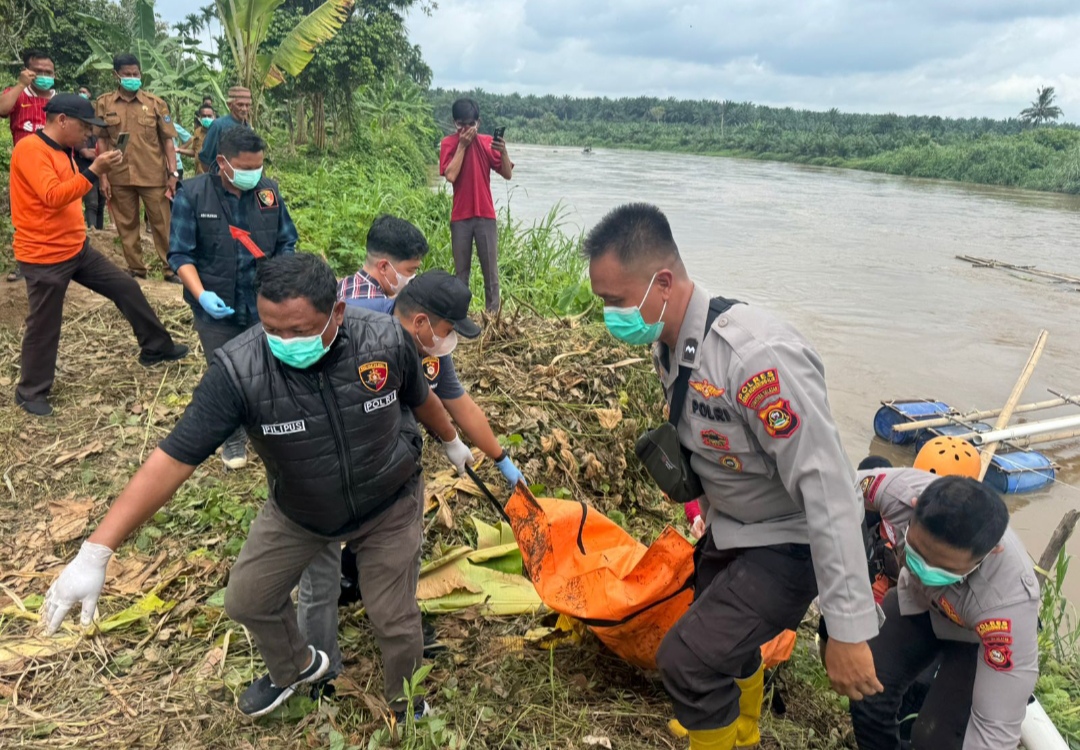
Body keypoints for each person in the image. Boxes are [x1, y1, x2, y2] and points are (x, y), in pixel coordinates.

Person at [41, 253, 476, 721]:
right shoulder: (239, 371)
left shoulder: (385, 339)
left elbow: (420, 398)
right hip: (302, 508)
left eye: (300, 331)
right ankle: (299, 666)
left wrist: (451, 441)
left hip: (389, 497)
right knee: (246, 599)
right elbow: (173, 457)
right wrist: (96, 551)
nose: (285, 342)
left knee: (394, 617)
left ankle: (407, 704)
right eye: (274, 330)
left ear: (337, 313)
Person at [584, 203, 881, 750]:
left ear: (663, 282)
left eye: (615, 301)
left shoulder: (754, 360)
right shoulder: (670, 341)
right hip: (735, 527)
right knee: (720, 638)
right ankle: (739, 726)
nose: (609, 315)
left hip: (789, 541)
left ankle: (723, 736)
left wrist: (848, 627)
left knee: (687, 659)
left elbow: (831, 490)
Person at [299, 266, 526, 681]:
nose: (451, 339)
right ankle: (318, 663)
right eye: (449, 329)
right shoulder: (350, 329)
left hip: (393, 459)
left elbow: (456, 403)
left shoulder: (430, 349)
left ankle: (384, 603)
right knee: (324, 565)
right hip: (333, 460)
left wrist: (501, 460)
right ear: (421, 322)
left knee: (397, 546)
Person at [9, 94, 189, 416]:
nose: (89, 134)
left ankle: (156, 347)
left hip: (76, 249)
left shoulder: (63, 150)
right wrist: (94, 171)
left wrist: (93, 166)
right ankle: (30, 391)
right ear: (62, 120)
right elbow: (53, 197)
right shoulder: (30, 150)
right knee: (44, 324)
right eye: (84, 127)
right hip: (45, 255)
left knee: (126, 288)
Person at [844, 469, 1039, 750]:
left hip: (976, 638)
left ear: (991, 552)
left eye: (941, 569)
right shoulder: (897, 493)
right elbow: (830, 489)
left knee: (935, 739)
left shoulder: (1008, 607)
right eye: (917, 554)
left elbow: (993, 731)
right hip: (916, 602)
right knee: (867, 689)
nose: (924, 571)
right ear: (913, 507)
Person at [168, 126, 298, 470]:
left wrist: (279, 278)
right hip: (216, 304)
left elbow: (286, 241)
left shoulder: (267, 193)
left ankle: (271, 430)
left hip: (263, 300)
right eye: (246, 168)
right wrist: (202, 294)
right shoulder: (193, 195)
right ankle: (233, 438)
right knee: (226, 370)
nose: (253, 175)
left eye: (259, 167)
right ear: (222, 162)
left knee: (271, 364)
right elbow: (180, 255)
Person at [94, 54, 181, 282]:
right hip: (119, 175)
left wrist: (173, 173)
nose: (133, 78)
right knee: (126, 225)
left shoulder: (155, 104)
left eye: (136, 74)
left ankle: (171, 269)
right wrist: (103, 176)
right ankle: (136, 269)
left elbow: (168, 142)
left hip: (153, 176)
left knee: (162, 224)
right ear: (116, 75)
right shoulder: (104, 103)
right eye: (127, 75)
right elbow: (102, 141)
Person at [439, 97, 514, 313]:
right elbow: (451, 175)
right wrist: (462, 145)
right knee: (461, 274)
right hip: (460, 218)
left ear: (478, 123)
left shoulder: (486, 143)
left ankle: (493, 318)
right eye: (461, 125)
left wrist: (503, 151)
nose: (466, 129)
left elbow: (508, 174)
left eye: (470, 125)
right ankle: (460, 316)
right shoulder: (449, 144)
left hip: (485, 216)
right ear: (455, 123)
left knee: (491, 273)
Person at [1, 49, 57, 282]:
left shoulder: (59, 101)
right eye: (38, 71)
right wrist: (19, 85)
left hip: (54, 168)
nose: (44, 75)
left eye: (49, 72)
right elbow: (2, 109)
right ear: (27, 71)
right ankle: (24, 263)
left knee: (54, 215)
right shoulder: (17, 95)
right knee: (25, 217)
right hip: (24, 170)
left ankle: (55, 261)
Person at [338, 214, 427, 301]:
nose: (414, 278)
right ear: (383, 267)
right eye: (410, 270)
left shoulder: (345, 284)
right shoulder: (378, 310)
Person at [198, 86, 251, 172]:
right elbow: (205, 158)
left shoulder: (247, 127)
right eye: (240, 105)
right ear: (230, 105)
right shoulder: (218, 125)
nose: (244, 109)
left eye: (247, 105)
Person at [73, 89, 103, 231]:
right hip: (85, 169)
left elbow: (98, 152)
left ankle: (99, 229)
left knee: (101, 201)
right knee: (92, 202)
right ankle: (92, 227)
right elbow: (85, 153)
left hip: (98, 170)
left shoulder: (97, 134)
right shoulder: (81, 133)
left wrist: (97, 153)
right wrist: (100, 154)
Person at [185, 104, 216, 175]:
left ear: (214, 116)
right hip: (199, 174)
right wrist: (179, 150)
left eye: (209, 116)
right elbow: (194, 152)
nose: (207, 118)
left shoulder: (219, 131)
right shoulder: (197, 131)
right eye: (204, 116)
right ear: (199, 117)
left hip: (214, 175)